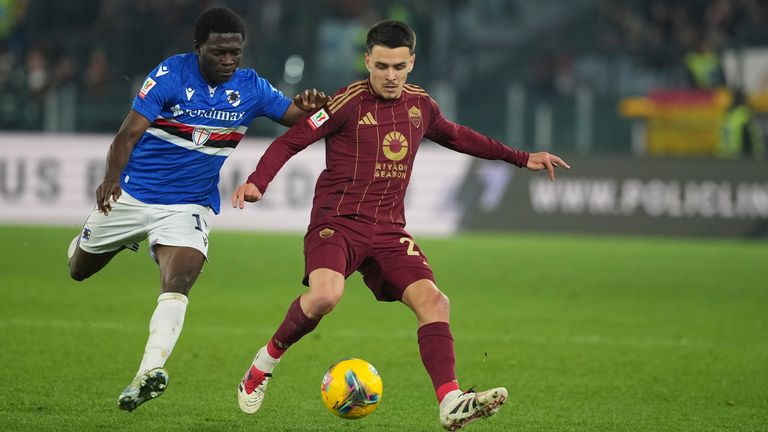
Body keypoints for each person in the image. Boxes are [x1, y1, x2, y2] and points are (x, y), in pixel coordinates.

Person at [232, 20, 570, 431]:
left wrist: (521, 157)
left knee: (435, 302)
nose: (390, 76)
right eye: (381, 66)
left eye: (398, 67)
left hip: (390, 230)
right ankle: (263, 365)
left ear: (411, 62)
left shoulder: (421, 105)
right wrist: (257, 181)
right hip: (337, 223)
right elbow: (290, 141)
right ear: (367, 61)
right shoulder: (345, 103)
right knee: (325, 296)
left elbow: (458, 136)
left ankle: (450, 401)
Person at [66, 7, 330, 413]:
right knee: (78, 270)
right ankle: (120, 240)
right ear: (197, 48)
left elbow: (292, 116)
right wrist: (111, 178)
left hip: (188, 204)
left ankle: (147, 373)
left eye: (235, 53)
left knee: (182, 275)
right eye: (218, 52)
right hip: (133, 195)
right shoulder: (171, 75)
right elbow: (128, 134)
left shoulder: (251, 88)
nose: (228, 60)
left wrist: (309, 104)